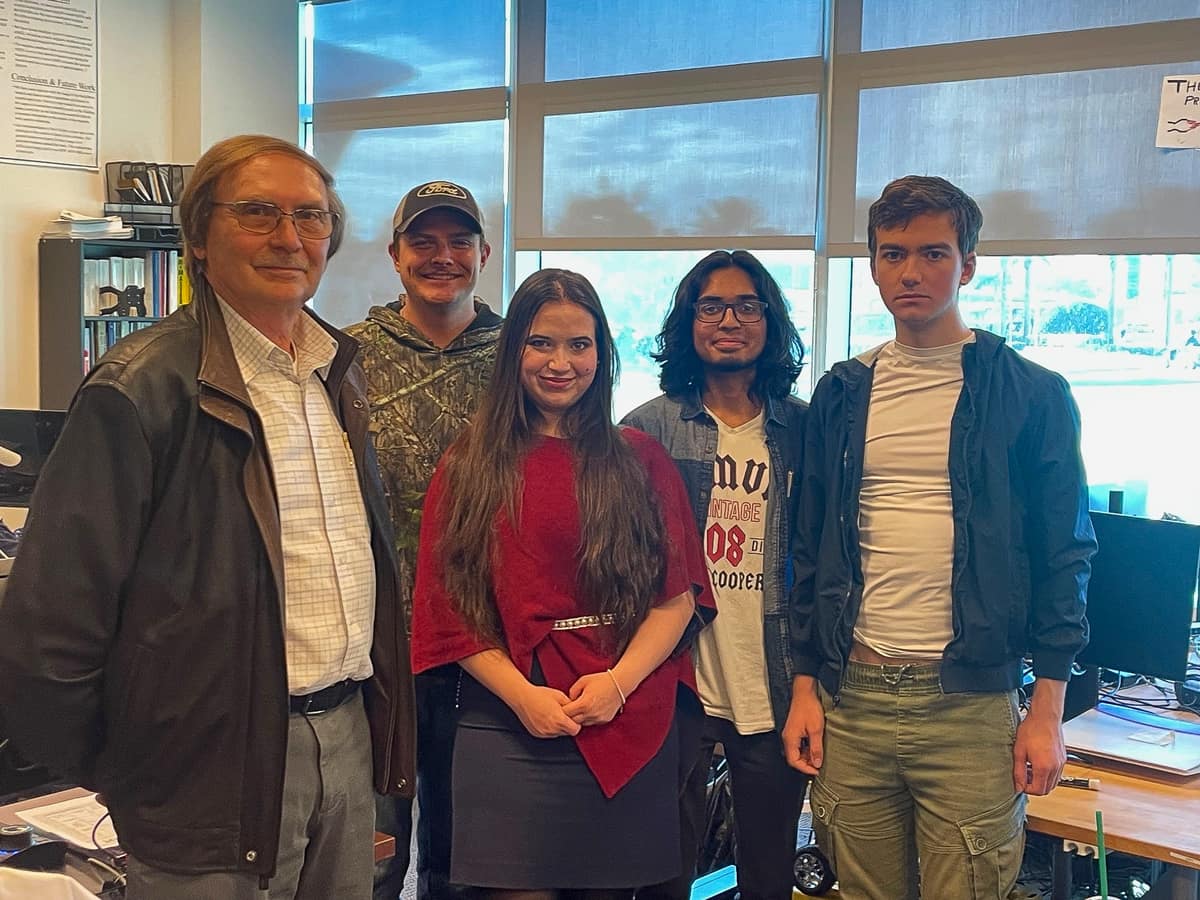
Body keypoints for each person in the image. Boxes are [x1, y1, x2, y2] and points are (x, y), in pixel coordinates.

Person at [0, 134, 415, 900]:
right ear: (198, 237)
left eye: (311, 216)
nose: (289, 237)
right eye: (258, 212)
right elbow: (50, 623)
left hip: (346, 734)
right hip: (206, 763)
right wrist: (132, 767)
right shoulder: (141, 387)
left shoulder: (336, 373)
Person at [783, 175, 1096, 900]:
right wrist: (805, 685)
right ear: (873, 265)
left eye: (933, 253)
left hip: (970, 707)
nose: (911, 273)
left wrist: (1047, 710)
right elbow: (810, 550)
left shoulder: (1030, 393)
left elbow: (1066, 555)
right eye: (893, 254)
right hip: (852, 698)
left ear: (968, 265)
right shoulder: (842, 392)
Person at [410, 268, 715, 899]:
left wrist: (617, 685)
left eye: (579, 344)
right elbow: (448, 612)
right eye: (541, 343)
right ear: (513, 350)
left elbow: (677, 598)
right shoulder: (469, 463)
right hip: (508, 716)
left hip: (624, 711)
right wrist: (523, 697)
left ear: (601, 353)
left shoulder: (640, 459)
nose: (561, 363)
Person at [622, 250, 808, 900]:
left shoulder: (802, 429)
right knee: (663, 870)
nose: (730, 321)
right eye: (712, 307)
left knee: (769, 871)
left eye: (746, 306)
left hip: (772, 679)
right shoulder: (646, 429)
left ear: (769, 320)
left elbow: (822, 562)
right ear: (689, 322)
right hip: (675, 679)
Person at [346, 180, 502, 900]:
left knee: (467, 852)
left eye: (459, 241)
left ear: (483, 254)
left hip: (487, 648)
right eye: (424, 241)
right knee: (373, 852)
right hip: (376, 648)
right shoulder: (345, 358)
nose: (443, 256)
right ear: (395, 255)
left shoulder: (520, 359)